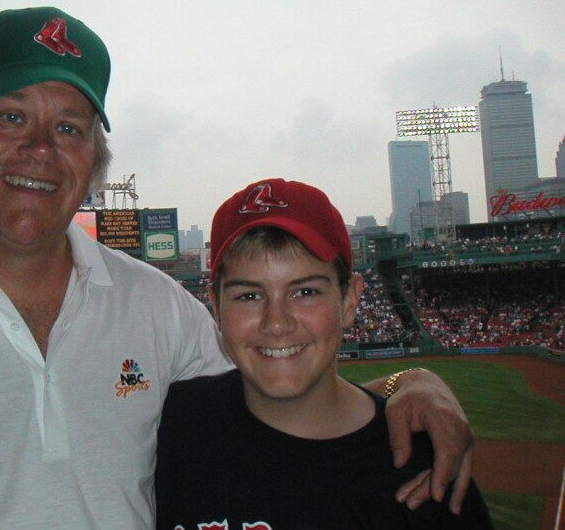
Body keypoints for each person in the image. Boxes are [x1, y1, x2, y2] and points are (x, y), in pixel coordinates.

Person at [0, 8, 472, 528]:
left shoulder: (158, 310)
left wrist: (406, 381)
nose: (41, 148)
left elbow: (281, 377)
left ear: (92, 166)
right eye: (11, 116)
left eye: (70, 127)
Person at [156, 178, 492, 529]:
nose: (276, 323)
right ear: (216, 306)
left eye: (305, 291)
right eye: (249, 296)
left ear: (349, 299)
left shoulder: (424, 471)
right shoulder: (174, 424)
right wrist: (407, 379)